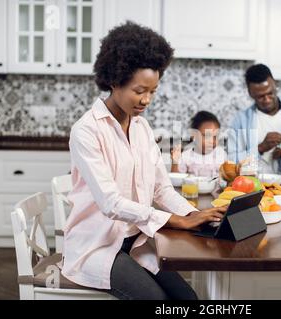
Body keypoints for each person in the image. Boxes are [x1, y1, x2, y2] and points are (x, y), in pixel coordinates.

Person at [61, 21, 227, 300]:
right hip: (97, 246)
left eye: (153, 91)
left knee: (189, 299)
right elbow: (110, 203)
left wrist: (192, 215)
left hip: (134, 239)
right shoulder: (87, 131)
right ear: (114, 80)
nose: (147, 100)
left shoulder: (141, 127)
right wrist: (174, 220)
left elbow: (161, 189)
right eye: (139, 91)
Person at [227, 64, 281, 174]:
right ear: (250, 93)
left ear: (275, 84)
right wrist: (261, 148)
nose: (267, 99)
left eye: (270, 93)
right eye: (260, 96)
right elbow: (231, 161)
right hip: (253, 188)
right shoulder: (240, 121)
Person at [171, 111, 226, 177]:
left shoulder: (221, 154)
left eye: (215, 136)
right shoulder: (186, 156)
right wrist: (175, 162)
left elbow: (227, 177)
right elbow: (176, 178)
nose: (211, 141)